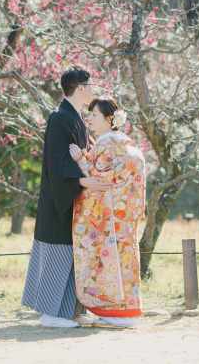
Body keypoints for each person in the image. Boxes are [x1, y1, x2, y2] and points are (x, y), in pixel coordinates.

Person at [21, 66, 111, 328]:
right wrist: (84, 181)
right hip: (59, 201)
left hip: (75, 198)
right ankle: (51, 314)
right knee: (59, 253)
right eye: (91, 84)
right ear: (80, 88)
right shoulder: (59, 117)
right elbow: (56, 162)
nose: (94, 88)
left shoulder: (76, 118)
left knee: (76, 255)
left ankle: (71, 312)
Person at [69, 96, 146, 328]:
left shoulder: (106, 143)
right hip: (123, 216)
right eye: (89, 113)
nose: (89, 118)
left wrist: (78, 159)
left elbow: (99, 178)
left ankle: (114, 313)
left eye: (94, 114)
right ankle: (127, 311)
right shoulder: (121, 142)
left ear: (110, 119)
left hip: (111, 216)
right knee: (124, 261)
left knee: (107, 262)